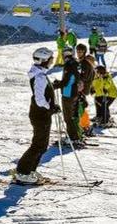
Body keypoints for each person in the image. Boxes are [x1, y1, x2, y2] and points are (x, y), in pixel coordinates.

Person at [13, 47, 59, 185]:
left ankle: (30, 170)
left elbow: (42, 94)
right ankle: (22, 171)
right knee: (38, 145)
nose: (52, 61)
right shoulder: (39, 77)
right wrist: (50, 107)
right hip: (41, 114)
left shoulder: (40, 74)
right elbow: (40, 100)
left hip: (41, 113)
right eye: (50, 59)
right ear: (44, 60)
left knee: (42, 145)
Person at [54, 47, 84, 147]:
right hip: (74, 92)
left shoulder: (68, 64)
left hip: (68, 93)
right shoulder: (76, 63)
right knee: (71, 116)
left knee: (68, 117)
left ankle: (73, 138)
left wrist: (56, 85)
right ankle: (74, 136)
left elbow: (66, 81)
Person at [76, 44, 97, 134]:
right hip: (83, 88)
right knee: (80, 107)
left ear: (84, 52)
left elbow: (85, 77)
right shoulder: (82, 62)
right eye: (77, 51)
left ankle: (85, 126)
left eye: (80, 51)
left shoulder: (84, 63)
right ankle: (84, 125)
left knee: (80, 107)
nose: (78, 53)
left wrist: (75, 78)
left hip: (82, 89)